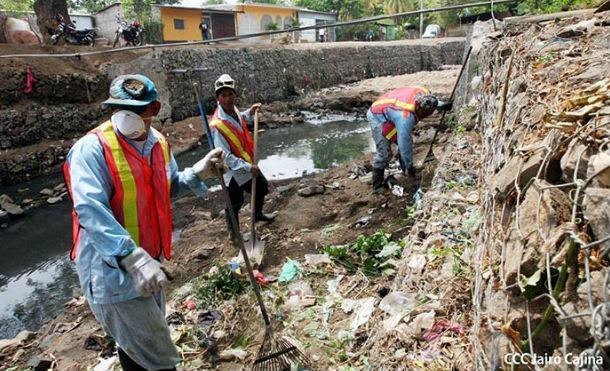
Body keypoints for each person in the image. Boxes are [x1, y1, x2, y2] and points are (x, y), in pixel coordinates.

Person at [63, 74, 224, 370]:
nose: (129, 118)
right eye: (121, 109)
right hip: (112, 272)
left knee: (138, 349)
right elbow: (89, 208)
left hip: (149, 262)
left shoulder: (158, 144)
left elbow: (164, 187)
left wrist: (198, 173)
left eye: (139, 110)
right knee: (158, 359)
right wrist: (131, 257)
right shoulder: (92, 149)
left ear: (154, 108)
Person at [209, 74, 276, 241]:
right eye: (223, 95)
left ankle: (258, 214)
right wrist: (248, 167)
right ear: (218, 98)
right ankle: (234, 234)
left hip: (245, 164)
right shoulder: (218, 125)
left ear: (235, 95)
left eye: (230, 94)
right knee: (234, 204)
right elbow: (225, 156)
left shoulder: (233, 110)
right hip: (232, 171)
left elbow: (239, 120)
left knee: (261, 187)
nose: (228, 98)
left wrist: (250, 112)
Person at [367, 86, 445, 193]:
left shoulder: (424, 93)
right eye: (426, 114)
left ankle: (404, 170)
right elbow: (405, 144)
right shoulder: (405, 117)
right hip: (377, 115)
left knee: (402, 142)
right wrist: (410, 166)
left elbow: (431, 102)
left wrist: (442, 105)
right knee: (385, 153)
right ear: (419, 109)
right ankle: (377, 185)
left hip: (390, 107)